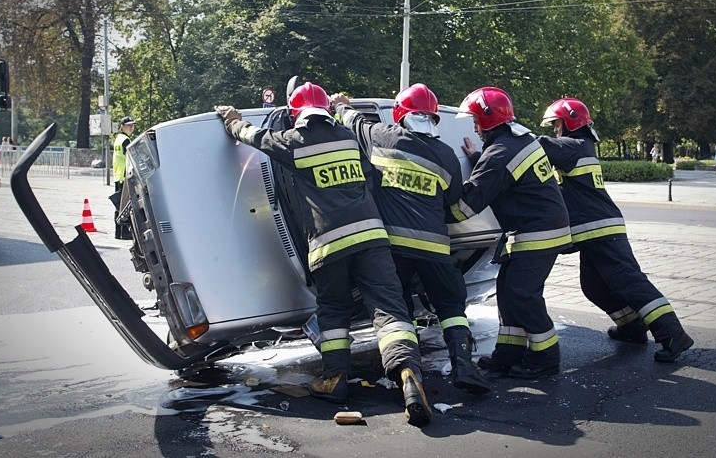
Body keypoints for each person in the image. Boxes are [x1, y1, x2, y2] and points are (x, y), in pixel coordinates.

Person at [214, 82, 431, 426]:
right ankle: (406, 373)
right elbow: (372, 173)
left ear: (297, 114)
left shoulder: (293, 142)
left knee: (333, 309)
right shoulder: (347, 137)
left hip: (328, 243)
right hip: (372, 237)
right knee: (389, 307)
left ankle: (335, 379)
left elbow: (252, 136)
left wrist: (231, 120)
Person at [330, 84, 491, 395]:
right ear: (433, 118)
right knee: (451, 305)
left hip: (392, 248)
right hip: (435, 247)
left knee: (398, 311)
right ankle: (465, 366)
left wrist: (340, 104)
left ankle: (410, 378)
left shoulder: (383, 136)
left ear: (401, 114)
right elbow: (453, 204)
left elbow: (354, 122)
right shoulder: (446, 155)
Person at [538, 97, 694, 363]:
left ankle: (673, 334)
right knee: (594, 287)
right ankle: (632, 327)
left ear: (570, 123)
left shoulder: (573, 145)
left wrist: (509, 132)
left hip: (600, 230)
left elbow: (539, 145)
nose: (555, 129)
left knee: (630, 282)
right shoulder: (580, 146)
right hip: (592, 231)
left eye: (557, 124)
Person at [448, 86, 571, 379]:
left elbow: (465, 207)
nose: (475, 128)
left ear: (489, 121)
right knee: (507, 291)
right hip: (539, 225)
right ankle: (507, 355)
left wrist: (431, 209)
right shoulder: (518, 139)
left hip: (536, 231)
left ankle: (546, 358)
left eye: (476, 121)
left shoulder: (500, 153)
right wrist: (479, 156)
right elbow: (506, 170)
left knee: (522, 295)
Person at [112, 116, 136, 240]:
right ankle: (125, 233)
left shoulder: (118, 139)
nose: (131, 127)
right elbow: (130, 157)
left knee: (119, 205)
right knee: (125, 206)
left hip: (118, 175)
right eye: (129, 125)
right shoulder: (126, 140)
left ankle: (118, 232)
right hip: (124, 175)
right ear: (122, 126)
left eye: (133, 125)